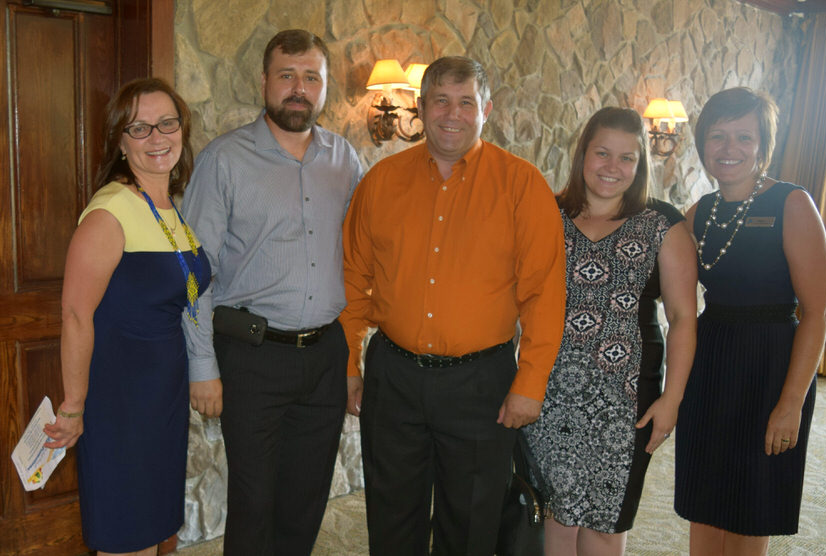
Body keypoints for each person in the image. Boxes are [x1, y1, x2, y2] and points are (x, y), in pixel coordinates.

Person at [340, 55, 566, 555]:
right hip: (393, 377)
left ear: (486, 109)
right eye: (440, 100)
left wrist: (530, 383)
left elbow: (544, 294)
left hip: (480, 384)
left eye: (466, 102)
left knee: (470, 526)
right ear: (420, 107)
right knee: (391, 514)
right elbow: (354, 280)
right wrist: (349, 363)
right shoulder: (380, 181)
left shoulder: (522, 186)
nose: (452, 113)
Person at [180, 29, 363, 556]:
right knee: (254, 503)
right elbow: (194, 273)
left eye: (311, 78)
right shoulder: (225, 160)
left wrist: (352, 359)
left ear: (325, 87)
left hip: (326, 355)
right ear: (264, 82)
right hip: (251, 357)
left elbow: (365, 256)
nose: (298, 88)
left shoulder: (346, 161)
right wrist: (202, 366)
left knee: (306, 503)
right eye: (287, 76)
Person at [44, 78, 212, 556]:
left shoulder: (166, 210)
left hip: (163, 395)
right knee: (129, 537)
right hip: (121, 401)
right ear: (119, 141)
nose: (157, 138)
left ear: (182, 130)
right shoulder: (111, 211)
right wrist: (74, 406)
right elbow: (76, 314)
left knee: (160, 530)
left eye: (167, 123)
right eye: (139, 128)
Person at [522, 107, 697, 555]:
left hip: (625, 397)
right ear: (583, 154)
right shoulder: (547, 213)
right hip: (550, 388)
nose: (612, 168)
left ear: (640, 166)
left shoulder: (663, 223)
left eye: (627, 159)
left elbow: (682, 318)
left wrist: (672, 400)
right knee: (558, 515)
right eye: (602, 153)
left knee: (606, 519)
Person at [674, 87, 826, 555]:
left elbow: (818, 311)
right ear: (703, 144)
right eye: (718, 137)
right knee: (706, 494)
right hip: (712, 362)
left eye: (744, 137)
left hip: (770, 366)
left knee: (751, 500)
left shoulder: (792, 204)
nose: (729, 150)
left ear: (764, 146)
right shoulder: (700, 211)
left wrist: (791, 404)